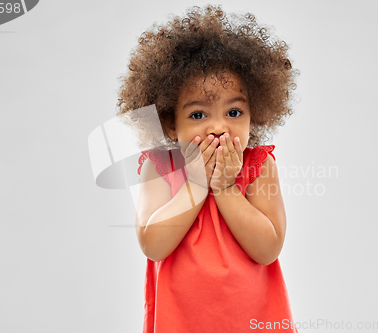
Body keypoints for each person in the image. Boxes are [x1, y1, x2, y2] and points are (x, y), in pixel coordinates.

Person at [116, 5, 300, 332]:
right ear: (171, 124)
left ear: (253, 114)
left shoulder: (258, 166)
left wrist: (227, 188)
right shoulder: (160, 168)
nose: (218, 127)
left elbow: (267, 249)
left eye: (233, 113)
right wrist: (198, 183)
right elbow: (154, 245)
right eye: (198, 115)